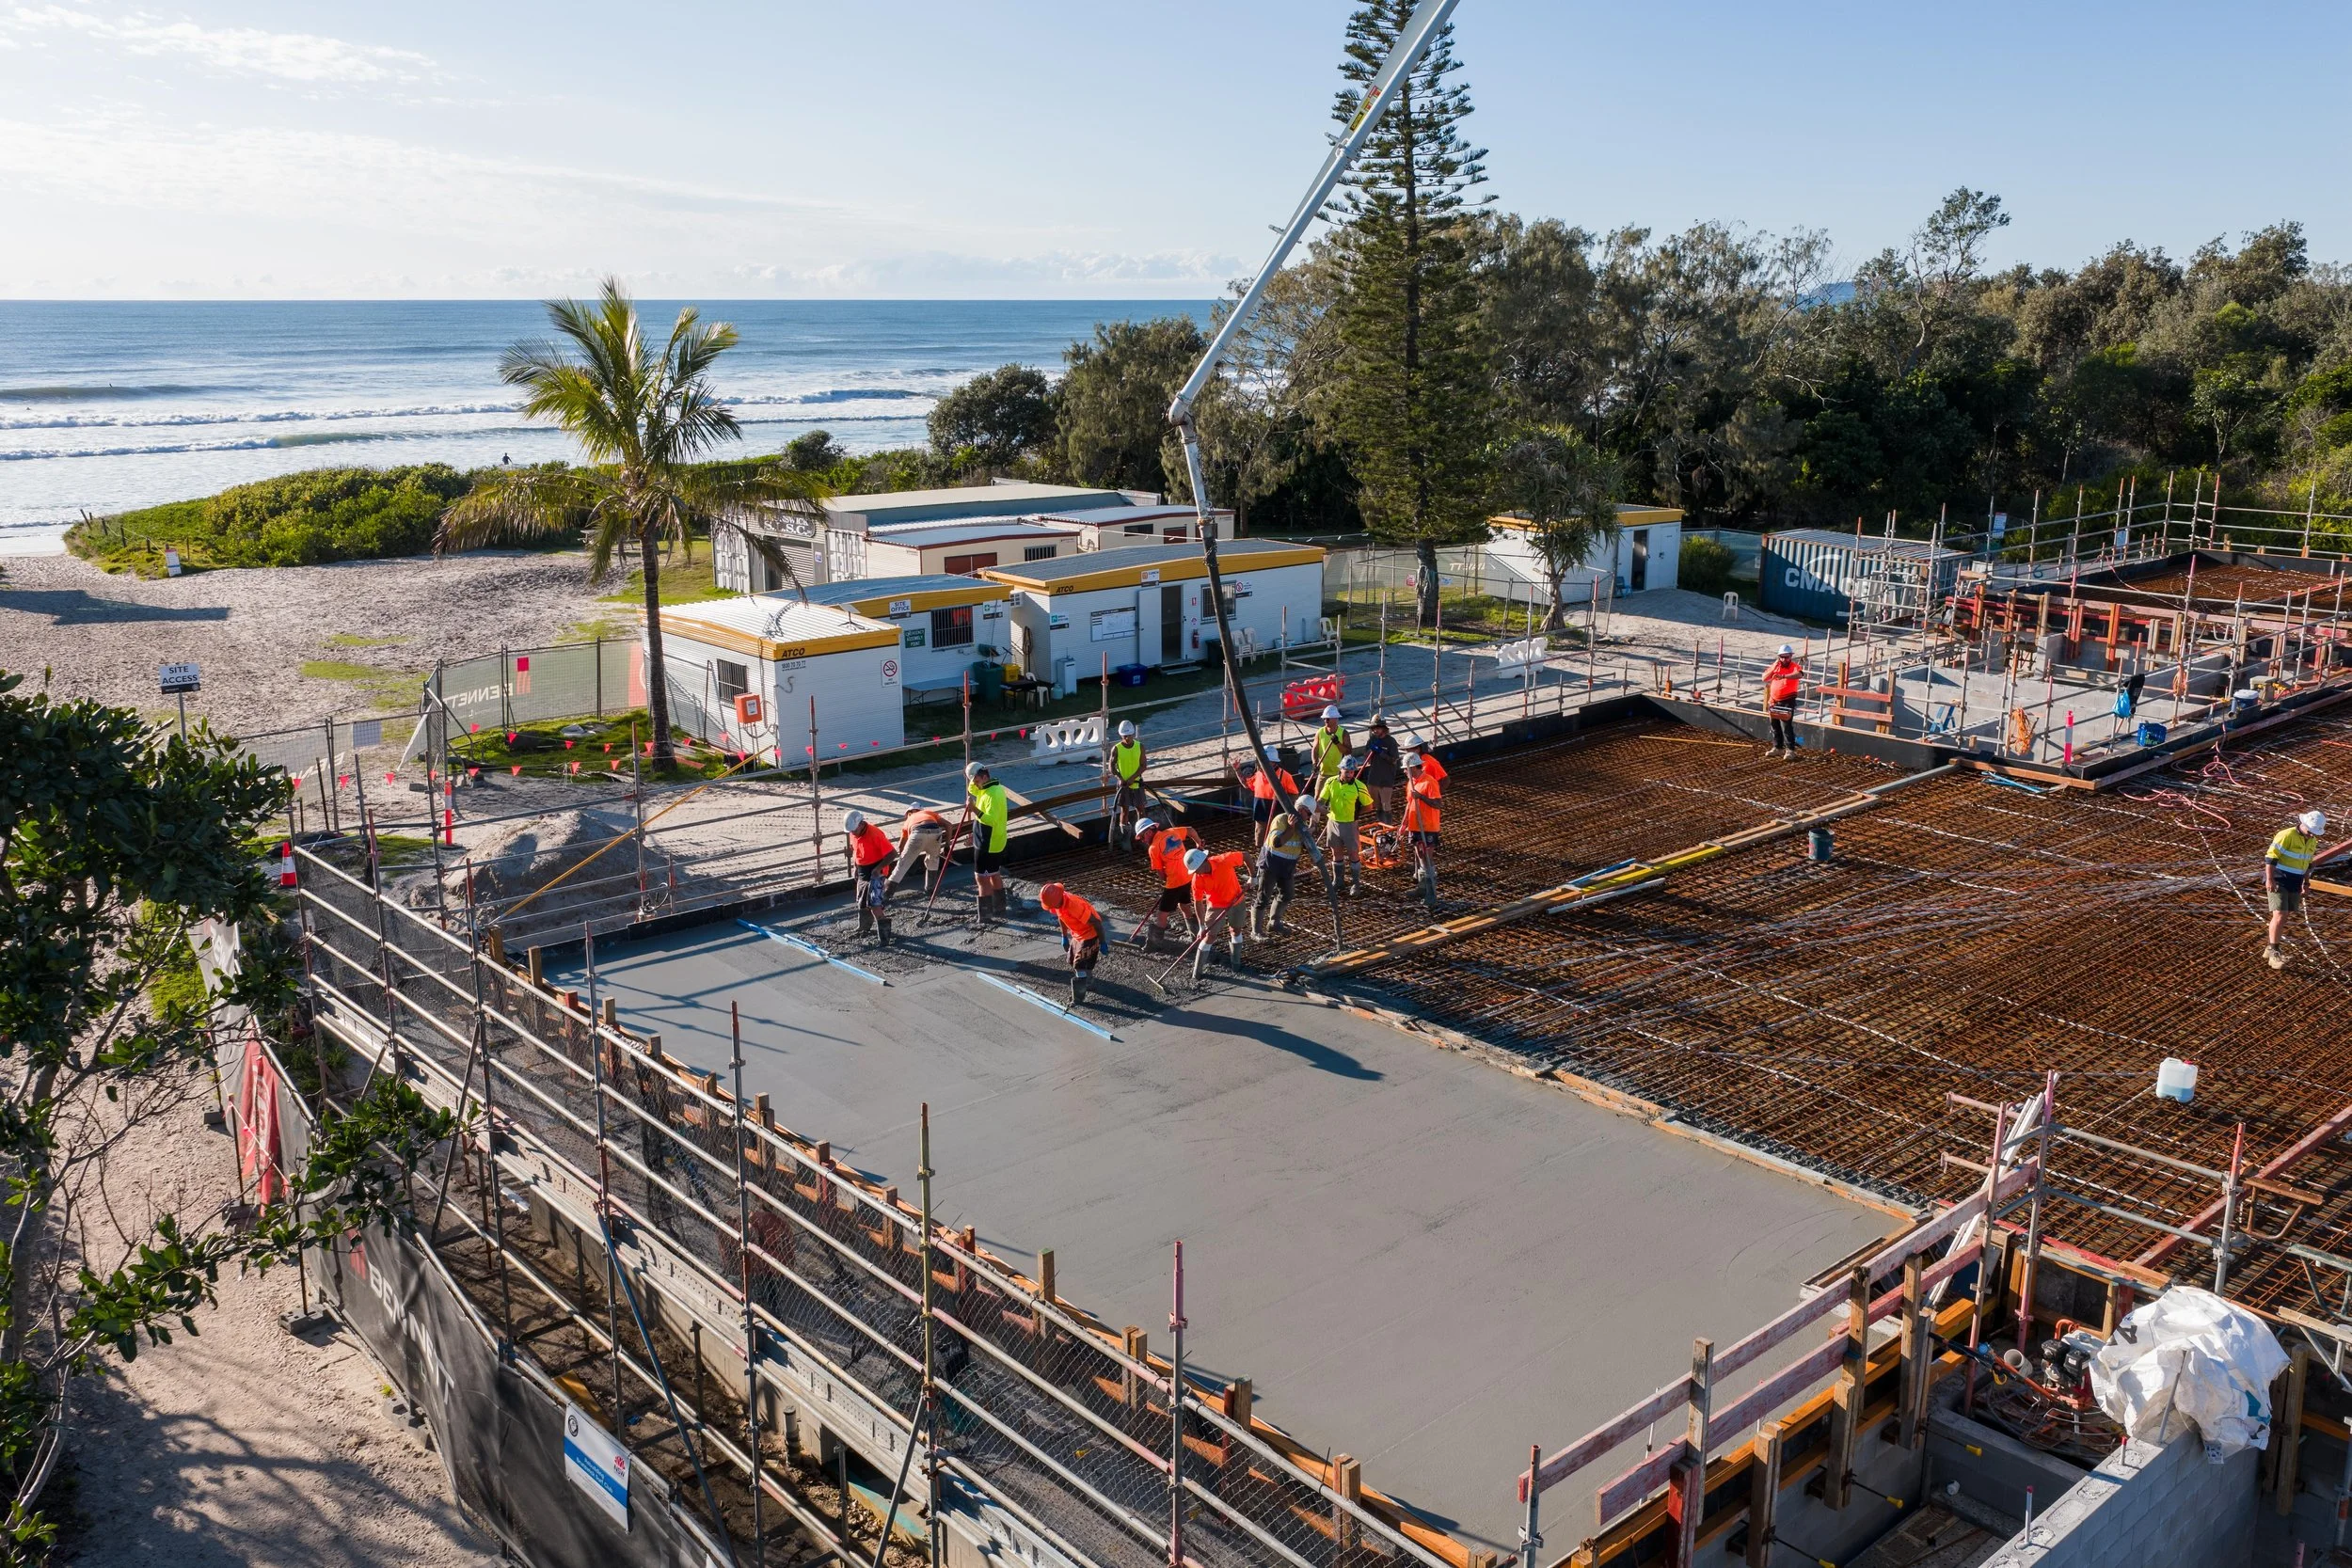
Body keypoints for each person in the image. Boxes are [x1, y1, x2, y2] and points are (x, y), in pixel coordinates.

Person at [2265, 809, 2326, 969]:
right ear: (2303, 824)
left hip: (2295, 881)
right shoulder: (2286, 835)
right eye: (2310, 831)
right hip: (2279, 878)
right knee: (2279, 914)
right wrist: (2269, 879)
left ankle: (2271, 946)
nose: (2312, 835)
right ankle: (2274, 953)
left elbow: (2307, 865)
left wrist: (2306, 884)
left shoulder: (2312, 841)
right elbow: (2271, 858)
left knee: (2284, 917)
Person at [1184, 845, 1252, 981]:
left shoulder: (1223, 861)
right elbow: (1198, 903)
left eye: (1197, 869)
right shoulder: (1197, 879)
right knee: (1209, 936)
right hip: (1215, 906)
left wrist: (1253, 877)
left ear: (1204, 861)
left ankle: (1236, 964)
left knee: (1236, 930)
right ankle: (1197, 973)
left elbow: (1246, 855)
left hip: (1236, 900)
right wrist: (1201, 926)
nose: (1196, 872)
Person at [1252, 793, 1314, 938]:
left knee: (1287, 894)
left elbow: (1307, 848)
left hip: (1287, 866)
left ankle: (1274, 922)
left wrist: (1309, 834)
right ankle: (1256, 932)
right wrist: (1291, 828)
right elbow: (1277, 843)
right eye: (1308, 814)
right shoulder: (1281, 820)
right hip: (1271, 864)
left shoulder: (1302, 827)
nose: (1308, 818)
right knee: (1263, 897)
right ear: (1301, 810)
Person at [1138, 816, 1202, 948]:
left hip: (1174, 882)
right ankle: (1196, 934)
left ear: (1149, 832)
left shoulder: (1153, 848)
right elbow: (1190, 830)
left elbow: (1160, 873)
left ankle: (1154, 944)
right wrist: (1198, 843)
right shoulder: (1172, 832)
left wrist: (1167, 882)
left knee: (1162, 913)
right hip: (1188, 876)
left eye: (1142, 837)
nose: (1143, 841)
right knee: (1184, 905)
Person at [1038, 883, 1104, 1006]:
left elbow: (1096, 922)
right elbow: (1061, 917)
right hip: (1078, 933)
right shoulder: (1058, 901)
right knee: (1072, 959)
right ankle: (1088, 982)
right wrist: (1064, 936)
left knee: (1079, 964)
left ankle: (1078, 997)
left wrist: (1102, 941)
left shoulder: (1074, 906)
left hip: (1090, 934)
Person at [1317, 756, 1374, 895]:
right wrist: (1320, 807)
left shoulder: (1359, 786)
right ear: (1340, 769)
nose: (1349, 774)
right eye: (1346, 771)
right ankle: (1338, 881)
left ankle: (1355, 884)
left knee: (1354, 853)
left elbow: (1369, 806)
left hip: (1350, 824)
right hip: (1333, 822)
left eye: (1351, 772)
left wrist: (1355, 815)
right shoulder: (1330, 782)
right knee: (1336, 852)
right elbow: (1321, 800)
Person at [842, 810, 897, 942]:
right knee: (862, 901)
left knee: (874, 903)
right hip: (863, 872)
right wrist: (856, 867)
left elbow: (892, 854)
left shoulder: (875, 834)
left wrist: (878, 869)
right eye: (851, 831)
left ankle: (884, 935)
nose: (852, 833)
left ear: (861, 824)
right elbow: (857, 850)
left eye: (854, 830)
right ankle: (864, 927)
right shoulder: (853, 832)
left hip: (876, 873)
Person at [966, 762, 1011, 918]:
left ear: (985, 777)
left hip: (988, 842)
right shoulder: (987, 788)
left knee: (981, 877)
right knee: (993, 873)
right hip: (993, 840)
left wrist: (974, 809)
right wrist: (971, 775)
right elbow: (971, 789)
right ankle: (1000, 907)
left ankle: (985, 914)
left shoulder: (991, 794)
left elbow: (991, 820)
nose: (975, 785)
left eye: (977, 780)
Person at [1401, 752, 1443, 910]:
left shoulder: (1429, 782)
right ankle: (1422, 887)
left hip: (1428, 827)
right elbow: (1409, 804)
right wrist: (1403, 824)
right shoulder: (1411, 783)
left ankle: (1431, 893)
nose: (1404, 771)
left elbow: (1438, 803)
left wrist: (1421, 797)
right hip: (1415, 826)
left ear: (1413, 767)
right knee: (1419, 856)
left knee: (1427, 858)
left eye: (1406, 769)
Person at [1237, 744, 1302, 845]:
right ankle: (1260, 853)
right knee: (1260, 836)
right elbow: (1247, 784)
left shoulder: (1284, 776)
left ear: (1273, 762)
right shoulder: (1258, 774)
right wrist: (1237, 770)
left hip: (1277, 813)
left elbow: (1294, 795)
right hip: (1261, 811)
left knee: (1275, 837)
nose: (1260, 763)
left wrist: (1282, 800)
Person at [887, 804, 951, 896]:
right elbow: (948, 825)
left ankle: (887, 894)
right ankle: (930, 890)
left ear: (909, 813)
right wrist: (947, 846)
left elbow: (901, 845)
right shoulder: (929, 813)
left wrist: (904, 858)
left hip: (917, 833)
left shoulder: (908, 821)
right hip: (935, 832)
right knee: (933, 862)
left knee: (901, 867)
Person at [1106, 719, 1146, 847]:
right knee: (1125, 811)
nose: (1127, 738)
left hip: (1137, 784)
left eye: (1128, 735)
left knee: (1141, 810)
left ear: (1133, 734)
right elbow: (1111, 766)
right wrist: (1119, 777)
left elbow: (1143, 765)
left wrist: (1133, 778)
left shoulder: (1139, 746)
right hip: (1123, 787)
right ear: (1121, 735)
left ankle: (1143, 836)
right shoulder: (1116, 749)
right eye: (1124, 736)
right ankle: (1125, 839)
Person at [1359, 717, 1404, 822]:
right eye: (1374, 728)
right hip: (1374, 777)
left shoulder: (1391, 741)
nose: (1375, 730)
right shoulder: (1372, 740)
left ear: (1384, 728)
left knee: (1385, 805)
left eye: (1378, 728)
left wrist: (1381, 753)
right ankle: (1380, 823)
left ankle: (1388, 827)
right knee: (1376, 805)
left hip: (1386, 778)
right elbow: (1365, 755)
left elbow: (1394, 760)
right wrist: (1372, 749)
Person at [1764, 643, 1804, 758]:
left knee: (1786, 725)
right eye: (1781, 657)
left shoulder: (1794, 666)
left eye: (1786, 657)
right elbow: (1764, 678)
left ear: (1791, 656)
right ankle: (1778, 747)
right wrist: (1773, 668)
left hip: (1787, 699)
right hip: (1774, 700)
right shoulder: (1775, 666)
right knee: (1774, 725)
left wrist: (1784, 676)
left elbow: (1799, 674)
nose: (1784, 659)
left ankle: (1790, 750)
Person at [1311, 705, 1352, 782]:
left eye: (1328, 718)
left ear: (1335, 719)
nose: (1326, 720)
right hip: (1323, 773)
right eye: (1324, 718)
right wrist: (1315, 763)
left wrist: (1337, 743)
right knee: (1318, 794)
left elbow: (1348, 752)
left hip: (1338, 774)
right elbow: (1315, 750)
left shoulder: (1343, 733)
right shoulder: (1320, 732)